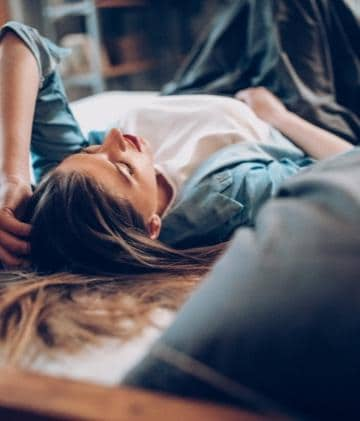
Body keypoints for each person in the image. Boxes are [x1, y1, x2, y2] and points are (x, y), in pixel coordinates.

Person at [0, 12, 354, 362]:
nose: (114, 138)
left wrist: (13, 176)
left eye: (92, 150)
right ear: (153, 225)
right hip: (283, 106)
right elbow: (344, 165)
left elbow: (21, 41)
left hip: (194, 92)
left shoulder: (73, 188)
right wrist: (279, 117)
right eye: (123, 168)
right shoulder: (231, 198)